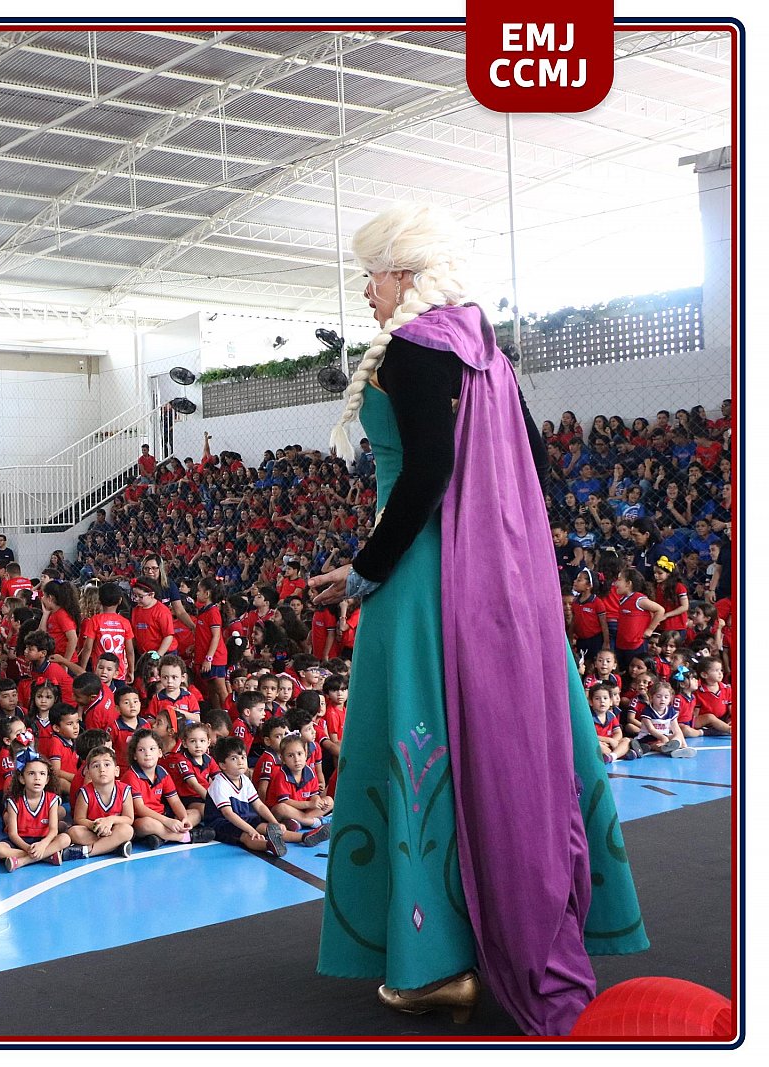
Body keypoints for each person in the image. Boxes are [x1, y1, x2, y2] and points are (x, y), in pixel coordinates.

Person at [309, 203, 645, 1035]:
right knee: (503, 748)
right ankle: (516, 931)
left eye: (372, 276)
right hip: (493, 580)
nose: (366, 290)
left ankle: (435, 965)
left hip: (421, 582)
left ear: (404, 274)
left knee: (417, 749)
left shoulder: (415, 349)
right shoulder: (482, 347)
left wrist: (366, 567)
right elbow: (532, 457)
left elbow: (427, 470)